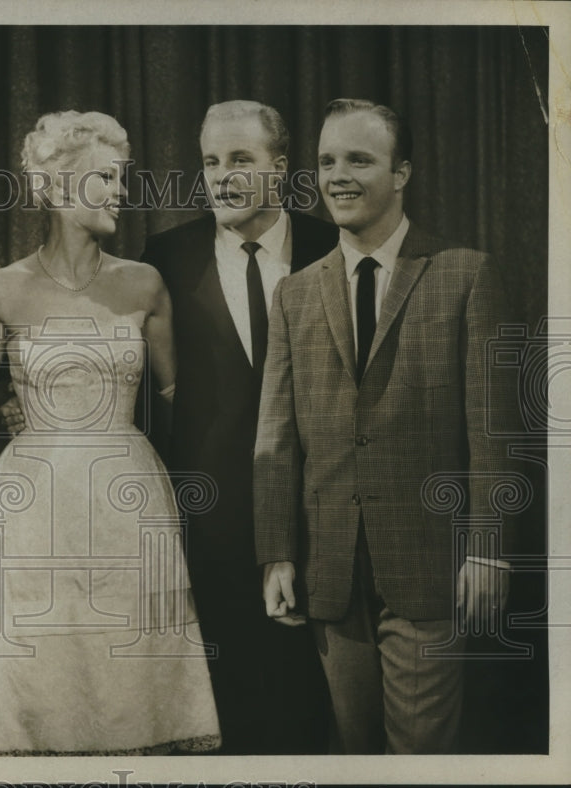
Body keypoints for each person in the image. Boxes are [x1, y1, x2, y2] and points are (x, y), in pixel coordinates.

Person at [254, 98, 518, 754]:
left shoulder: (463, 273)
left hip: (430, 570)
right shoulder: (295, 293)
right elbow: (276, 437)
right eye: (327, 160)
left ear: (401, 173)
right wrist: (277, 552)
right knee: (356, 752)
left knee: (420, 758)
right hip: (331, 572)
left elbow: (491, 431)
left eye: (359, 159)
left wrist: (488, 547)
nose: (338, 175)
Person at [0, 110, 220, 756]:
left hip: (128, 499)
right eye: (104, 178)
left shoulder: (144, 284)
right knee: (43, 681)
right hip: (33, 505)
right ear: (55, 187)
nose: (119, 191)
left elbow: (183, 407)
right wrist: (4, 414)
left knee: (134, 678)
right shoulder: (0, 291)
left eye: (121, 178)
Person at [140, 100, 337, 754]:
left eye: (240, 160)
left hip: (320, 526)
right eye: (210, 161)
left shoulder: (331, 245)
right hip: (209, 533)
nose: (221, 176)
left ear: (279, 170)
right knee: (229, 725)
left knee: (317, 719)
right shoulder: (164, 259)